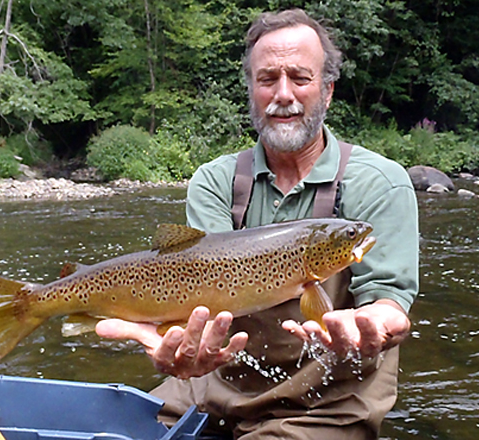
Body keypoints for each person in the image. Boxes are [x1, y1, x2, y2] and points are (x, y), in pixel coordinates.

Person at [96, 8, 419, 440]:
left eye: (300, 78)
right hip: (214, 383)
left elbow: (387, 301)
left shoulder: (379, 183)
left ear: (327, 92)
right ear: (251, 90)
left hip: (328, 406)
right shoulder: (215, 181)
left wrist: (379, 321)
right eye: (268, 79)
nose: (283, 94)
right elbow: (198, 282)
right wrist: (180, 340)